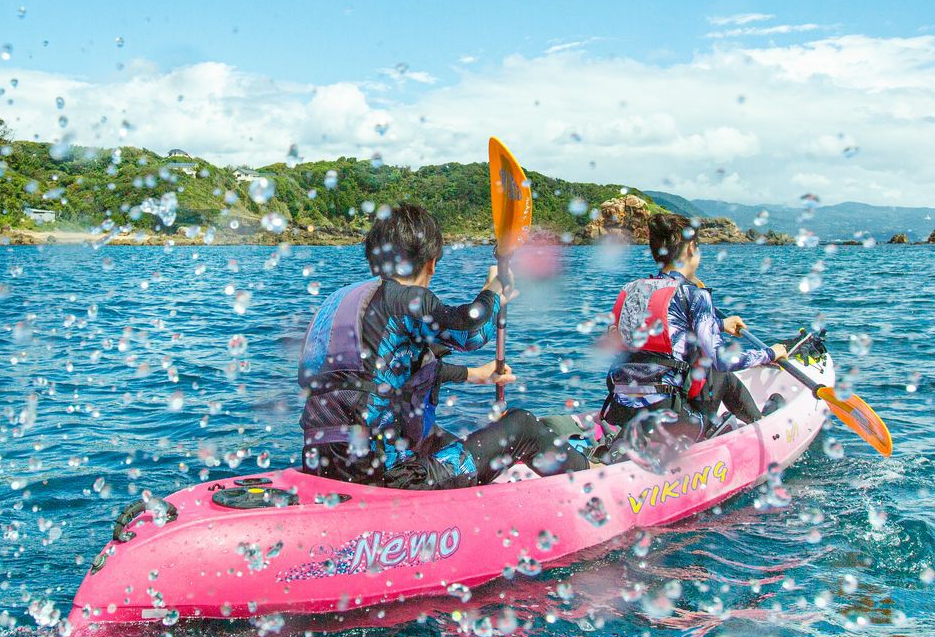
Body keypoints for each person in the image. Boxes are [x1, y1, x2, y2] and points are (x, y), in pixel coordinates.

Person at [298, 203, 590, 489]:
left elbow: (383, 378)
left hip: (323, 464)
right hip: (384, 475)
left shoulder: (338, 303)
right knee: (522, 426)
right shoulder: (406, 299)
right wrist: (494, 292)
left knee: (443, 440)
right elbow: (470, 333)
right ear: (431, 263)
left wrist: (474, 375)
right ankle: (593, 473)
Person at [599, 212, 786, 436]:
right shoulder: (694, 295)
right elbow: (722, 361)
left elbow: (660, 333)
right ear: (690, 249)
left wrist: (718, 324)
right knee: (719, 372)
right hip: (670, 419)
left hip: (621, 410)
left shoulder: (631, 289)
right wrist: (770, 354)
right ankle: (763, 427)